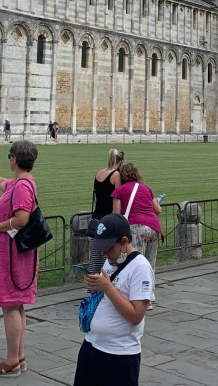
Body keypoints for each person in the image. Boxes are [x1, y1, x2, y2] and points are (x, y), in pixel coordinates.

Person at [0, 139, 40, 376]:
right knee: (16, 304)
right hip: (17, 253)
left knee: (10, 305)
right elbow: (6, 185)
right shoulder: (20, 183)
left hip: (14, 255)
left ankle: (12, 361)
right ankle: (19, 356)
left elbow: (21, 219)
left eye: (9, 156)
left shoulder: (23, 186)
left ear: (14, 159)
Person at [73, 213, 153, 386]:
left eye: (108, 248)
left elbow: (136, 316)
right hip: (92, 344)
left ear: (124, 241)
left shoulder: (140, 268)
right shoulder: (111, 261)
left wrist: (108, 288)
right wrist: (96, 286)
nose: (104, 253)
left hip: (119, 354)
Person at [112, 163, 162, 307]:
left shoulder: (120, 191)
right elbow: (158, 210)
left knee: (136, 264)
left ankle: (142, 299)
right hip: (153, 227)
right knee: (150, 263)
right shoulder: (146, 188)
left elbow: (116, 215)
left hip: (136, 228)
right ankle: (150, 295)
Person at [89, 149, 124, 274]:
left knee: (95, 259)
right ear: (120, 162)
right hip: (108, 220)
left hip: (96, 218)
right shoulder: (116, 175)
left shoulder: (99, 173)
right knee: (108, 260)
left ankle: (94, 283)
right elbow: (117, 198)